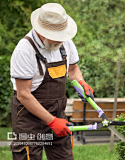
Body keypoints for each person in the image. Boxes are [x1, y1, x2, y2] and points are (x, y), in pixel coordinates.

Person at [10, 3, 93, 160]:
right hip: (29, 118)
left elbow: (73, 68)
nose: (60, 41)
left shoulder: (65, 42)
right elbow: (23, 94)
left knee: (64, 157)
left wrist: (81, 83)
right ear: (42, 31)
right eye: (56, 36)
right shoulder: (24, 50)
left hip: (58, 112)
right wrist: (52, 121)